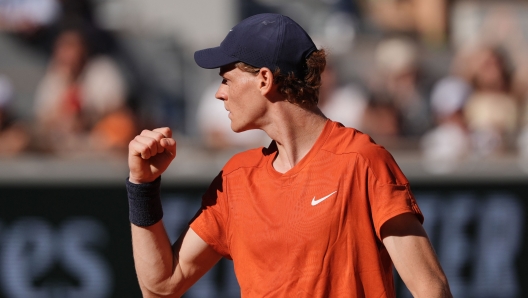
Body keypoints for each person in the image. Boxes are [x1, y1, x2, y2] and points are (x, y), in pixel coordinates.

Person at [126, 13, 452, 297]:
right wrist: (142, 185)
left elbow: (430, 288)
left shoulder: (362, 162)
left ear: (264, 79)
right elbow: (161, 286)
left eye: (226, 79)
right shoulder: (235, 178)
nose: (219, 93)